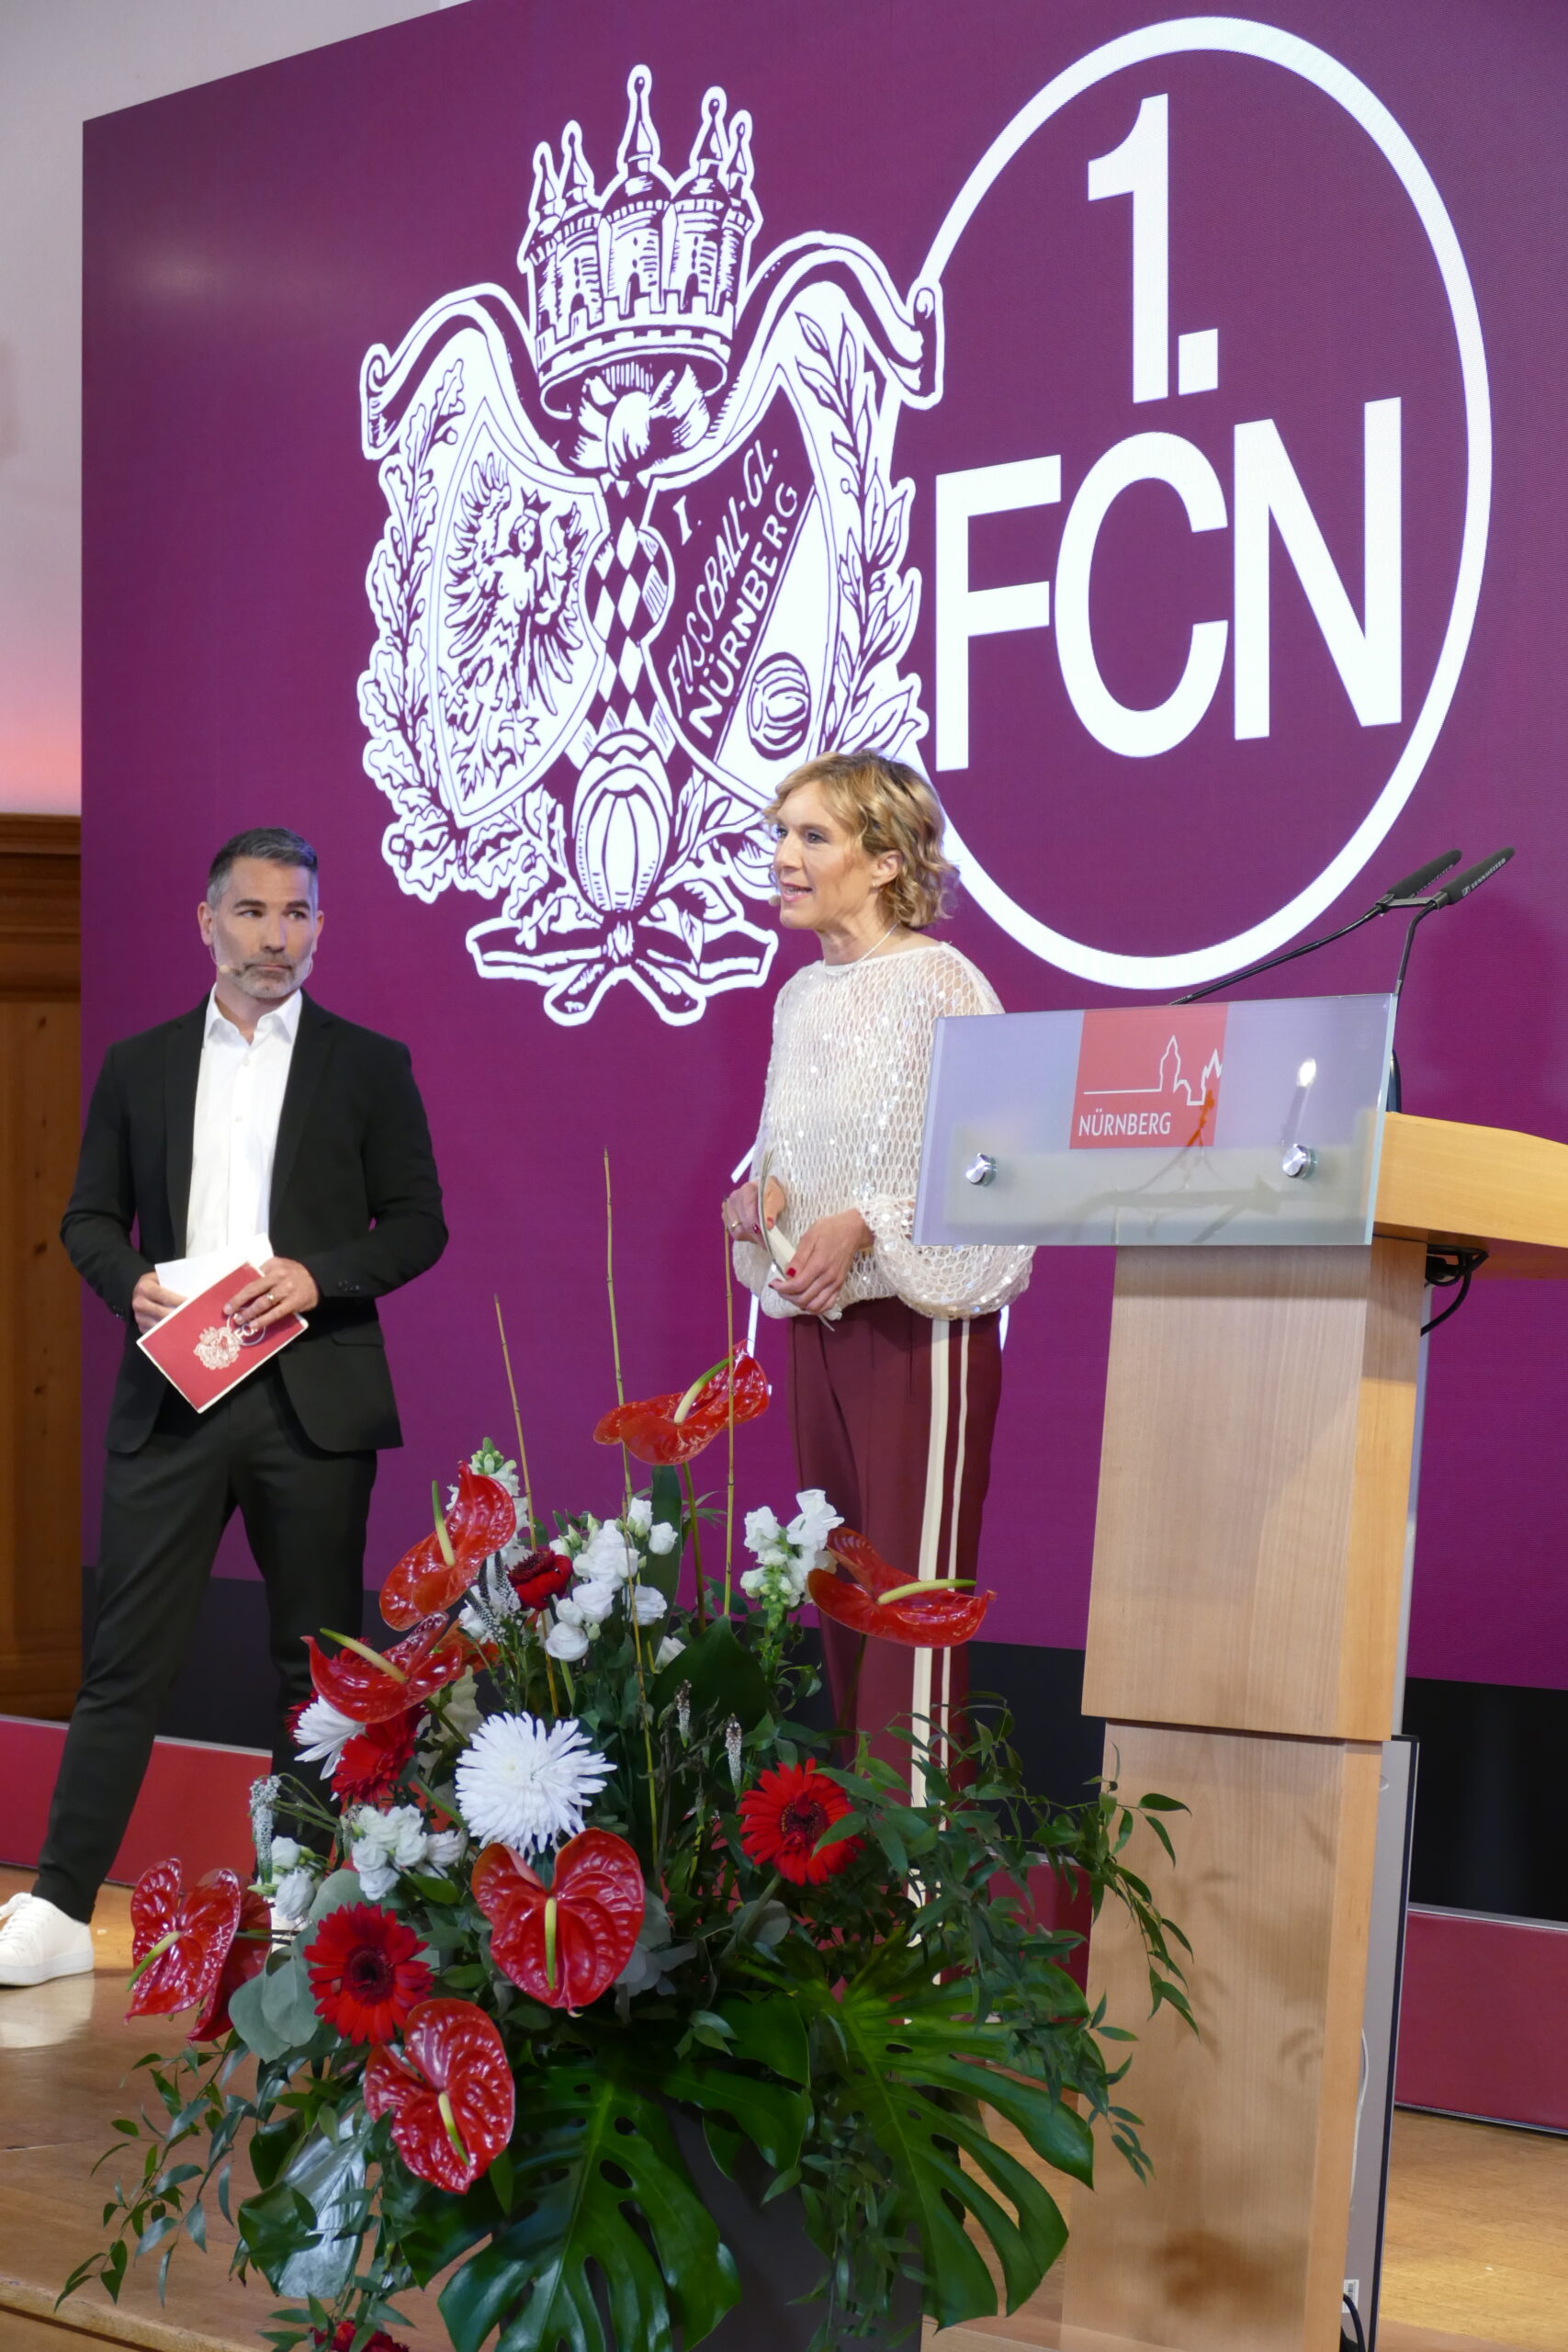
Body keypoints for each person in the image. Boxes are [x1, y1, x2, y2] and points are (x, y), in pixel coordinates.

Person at [0, 827, 446, 1987]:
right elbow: (88, 1217)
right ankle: (59, 1907)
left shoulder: (369, 1064)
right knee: (124, 1661)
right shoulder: (138, 1063)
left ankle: (296, 1900)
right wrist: (130, 1282)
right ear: (208, 922)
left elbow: (418, 1224)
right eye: (252, 913)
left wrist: (318, 1276)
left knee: (313, 1669)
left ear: (320, 925)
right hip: (175, 1395)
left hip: (313, 1402)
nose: (275, 938)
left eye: (297, 914)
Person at [723, 751, 1032, 1764]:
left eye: (812, 836)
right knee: (845, 1599)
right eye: (780, 834)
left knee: (910, 1608)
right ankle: (861, 1847)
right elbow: (792, 1155)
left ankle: (922, 1855)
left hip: (919, 1331)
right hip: (820, 1329)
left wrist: (867, 1222)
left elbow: (996, 1169)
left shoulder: (943, 982)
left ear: (889, 859)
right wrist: (761, 1200)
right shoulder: (799, 996)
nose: (782, 857)